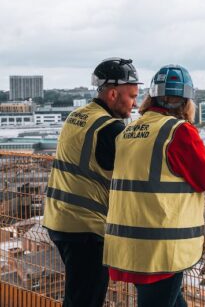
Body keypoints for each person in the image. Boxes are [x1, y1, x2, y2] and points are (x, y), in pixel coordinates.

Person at [103, 64, 205, 307]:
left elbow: (171, 167)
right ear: (187, 102)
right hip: (160, 247)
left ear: (151, 97)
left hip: (131, 243)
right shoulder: (178, 131)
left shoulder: (131, 130)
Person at [43, 57, 141, 307]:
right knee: (85, 300)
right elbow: (148, 165)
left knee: (78, 296)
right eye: (131, 96)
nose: (135, 103)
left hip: (59, 219)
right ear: (112, 94)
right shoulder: (110, 129)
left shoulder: (77, 115)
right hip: (86, 229)